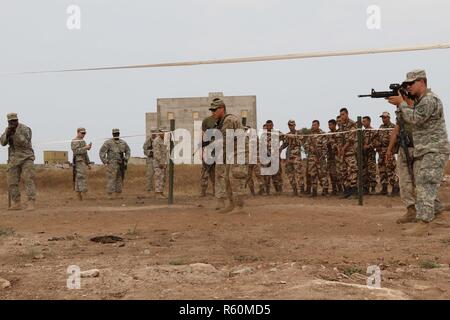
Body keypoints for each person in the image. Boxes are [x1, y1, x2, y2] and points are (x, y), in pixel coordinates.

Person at [388, 69, 450, 234]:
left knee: (424, 183)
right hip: (427, 149)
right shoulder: (420, 100)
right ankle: (438, 215)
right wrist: (402, 104)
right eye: (406, 84)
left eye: (411, 83)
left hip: (433, 149)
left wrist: (402, 103)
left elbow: (415, 119)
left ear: (422, 82)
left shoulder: (429, 100)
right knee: (425, 182)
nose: (408, 87)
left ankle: (424, 223)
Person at [210, 98, 248, 213]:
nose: (213, 112)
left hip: (238, 152)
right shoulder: (222, 121)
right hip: (232, 153)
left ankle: (239, 207)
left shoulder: (229, 120)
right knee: (227, 179)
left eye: (215, 110)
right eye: (212, 110)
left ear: (222, 109)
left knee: (235, 178)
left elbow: (226, 141)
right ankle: (232, 205)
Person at [386, 93, 416, 223]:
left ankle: (429, 210)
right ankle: (411, 211)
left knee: (421, 181)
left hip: (419, 148)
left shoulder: (419, 106)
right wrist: (390, 149)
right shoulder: (401, 111)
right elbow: (396, 130)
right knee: (404, 180)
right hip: (404, 148)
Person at [0, 113, 36, 210]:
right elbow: (3, 143)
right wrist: (7, 134)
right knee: (12, 181)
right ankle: (16, 202)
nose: (13, 123)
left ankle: (31, 201)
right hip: (14, 158)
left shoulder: (25, 128)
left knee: (28, 179)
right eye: (11, 121)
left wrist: (16, 133)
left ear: (17, 120)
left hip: (26, 157)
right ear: (8, 122)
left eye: (15, 120)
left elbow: (25, 142)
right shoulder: (8, 129)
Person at [99, 128, 130, 199]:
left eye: (117, 134)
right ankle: (109, 194)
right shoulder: (108, 143)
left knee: (120, 178)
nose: (116, 135)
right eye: (115, 134)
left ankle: (118, 194)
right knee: (111, 179)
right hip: (112, 164)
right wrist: (105, 161)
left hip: (121, 163)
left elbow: (128, 151)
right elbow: (102, 152)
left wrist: (126, 159)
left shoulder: (123, 142)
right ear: (112, 134)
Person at [337, 107, 358, 198]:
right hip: (343, 153)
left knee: (352, 171)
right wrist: (339, 148)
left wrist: (343, 148)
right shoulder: (341, 126)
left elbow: (351, 140)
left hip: (350, 152)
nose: (341, 116)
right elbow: (339, 137)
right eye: (341, 115)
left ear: (347, 114)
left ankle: (354, 192)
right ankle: (347, 191)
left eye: (343, 114)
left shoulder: (352, 124)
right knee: (343, 172)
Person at [377, 112, 400, 196]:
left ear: (389, 118)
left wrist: (392, 150)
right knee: (382, 171)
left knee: (390, 170)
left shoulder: (393, 127)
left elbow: (395, 140)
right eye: (382, 118)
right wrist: (378, 145)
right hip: (381, 153)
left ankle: (395, 188)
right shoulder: (381, 127)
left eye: (385, 117)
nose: (383, 119)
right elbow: (378, 138)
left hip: (389, 152)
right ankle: (384, 188)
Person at [281, 120, 304, 196]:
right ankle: (295, 191)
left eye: (292, 125)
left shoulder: (299, 133)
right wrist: (280, 149)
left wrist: (293, 137)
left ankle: (301, 191)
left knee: (299, 174)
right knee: (290, 174)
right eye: (289, 125)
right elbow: (285, 144)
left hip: (296, 157)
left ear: (295, 125)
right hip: (289, 157)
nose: (291, 126)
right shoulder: (287, 135)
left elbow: (301, 142)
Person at [305, 120, 328, 197]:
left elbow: (325, 147)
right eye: (312, 125)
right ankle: (314, 191)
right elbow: (306, 145)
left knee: (323, 175)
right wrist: (310, 147)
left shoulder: (322, 134)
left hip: (320, 158)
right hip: (312, 158)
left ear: (318, 125)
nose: (313, 126)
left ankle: (325, 190)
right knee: (313, 175)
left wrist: (322, 155)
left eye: (315, 125)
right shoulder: (310, 135)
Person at [261, 120, 283, 195]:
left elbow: (285, 138)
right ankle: (267, 192)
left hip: (275, 158)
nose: (268, 127)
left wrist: (281, 149)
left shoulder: (277, 133)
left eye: (270, 125)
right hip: (266, 158)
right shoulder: (263, 135)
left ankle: (279, 191)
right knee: (266, 175)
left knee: (277, 175)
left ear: (273, 125)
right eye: (267, 126)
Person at [71, 127, 92, 200]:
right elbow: (76, 151)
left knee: (79, 178)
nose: (84, 134)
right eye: (82, 133)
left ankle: (79, 195)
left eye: (84, 133)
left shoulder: (82, 141)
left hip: (82, 161)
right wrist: (86, 148)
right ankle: (83, 194)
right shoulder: (74, 141)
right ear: (78, 132)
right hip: (78, 161)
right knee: (81, 177)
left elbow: (85, 153)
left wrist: (88, 163)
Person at [200, 114, 217, 196]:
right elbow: (203, 146)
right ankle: (203, 191)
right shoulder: (205, 137)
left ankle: (215, 191)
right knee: (205, 174)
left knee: (214, 175)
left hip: (214, 157)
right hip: (207, 157)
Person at [362, 116, 378, 194]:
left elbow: (376, 142)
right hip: (364, 155)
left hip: (370, 154)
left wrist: (368, 146)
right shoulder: (362, 132)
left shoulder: (373, 131)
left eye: (364, 121)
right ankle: (366, 188)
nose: (363, 123)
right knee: (364, 172)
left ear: (369, 121)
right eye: (363, 121)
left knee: (371, 171)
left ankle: (373, 188)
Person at [153, 128, 169, 199]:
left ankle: (161, 192)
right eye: (163, 132)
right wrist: (161, 162)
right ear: (160, 133)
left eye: (165, 132)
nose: (164, 134)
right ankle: (157, 193)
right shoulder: (157, 141)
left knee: (163, 178)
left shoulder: (165, 140)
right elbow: (157, 153)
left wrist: (165, 162)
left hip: (164, 162)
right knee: (158, 177)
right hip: (158, 163)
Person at [327, 119, 341, 195]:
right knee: (331, 174)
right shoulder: (328, 134)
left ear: (334, 125)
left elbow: (339, 144)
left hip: (337, 156)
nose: (329, 126)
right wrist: (328, 143)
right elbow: (325, 144)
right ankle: (334, 190)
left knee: (337, 173)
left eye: (330, 125)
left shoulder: (339, 133)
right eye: (328, 125)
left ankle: (340, 189)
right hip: (330, 157)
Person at [143, 128, 157, 192]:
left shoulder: (159, 140)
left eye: (154, 132)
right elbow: (144, 150)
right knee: (150, 175)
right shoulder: (147, 141)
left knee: (159, 175)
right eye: (152, 132)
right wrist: (150, 152)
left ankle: (158, 189)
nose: (153, 133)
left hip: (158, 160)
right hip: (150, 159)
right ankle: (149, 189)